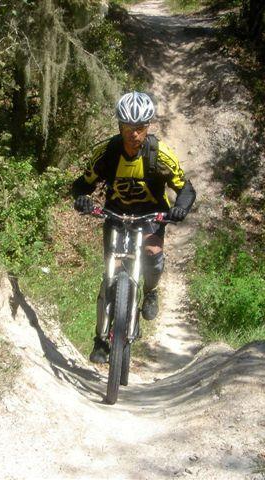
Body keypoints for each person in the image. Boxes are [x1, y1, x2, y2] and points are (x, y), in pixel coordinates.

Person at [72, 91, 196, 363]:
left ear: (148, 127)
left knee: (152, 254)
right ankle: (100, 339)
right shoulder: (107, 153)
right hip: (115, 214)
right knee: (110, 275)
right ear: (120, 127)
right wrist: (81, 198)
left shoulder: (160, 154)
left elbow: (185, 188)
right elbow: (83, 183)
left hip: (151, 215)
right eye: (129, 128)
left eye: (140, 128)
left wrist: (180, 208)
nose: (134, 135)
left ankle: (150, 292)